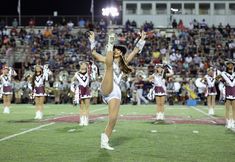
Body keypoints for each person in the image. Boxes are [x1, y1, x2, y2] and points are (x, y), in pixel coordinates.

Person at [88, 30, 146, 150]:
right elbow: (94, 53)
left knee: (113, 118)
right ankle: (109, 42)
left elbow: (135, 51)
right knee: (109, 66)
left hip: (116, 91)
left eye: (118, 50)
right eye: (115, 49)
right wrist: (92, 40)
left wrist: (142, 39)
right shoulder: (107, 59)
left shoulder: (124, 63)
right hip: (106, 86)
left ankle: (104, 140)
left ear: (121, 53)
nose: (117, 51)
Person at [71, 61, 92, 126]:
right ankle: (82, 119)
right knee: (81, 106)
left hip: (86, 89)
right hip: (80, 89)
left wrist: (88, 64)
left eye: (84, 64)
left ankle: (86, 120)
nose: (83, 65)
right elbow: (72, 80)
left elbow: (91, 67)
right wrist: (74, 86)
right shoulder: (77, 73)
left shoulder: (88, 72)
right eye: (82, 64)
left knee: (87, 106)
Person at [219, 60, 235, 129]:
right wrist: (223, 82)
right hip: (227, 92)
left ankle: (233, 122)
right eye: (229, 64)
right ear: (227, 66)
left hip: (234, 91)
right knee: (227, 109)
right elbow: (217, 78)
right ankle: (228, 122)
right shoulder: (223, 73)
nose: (231, 66)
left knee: (234, 109)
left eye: (232, 64)